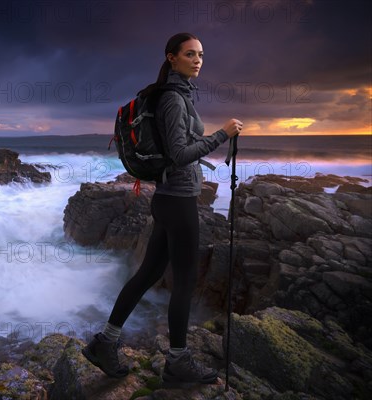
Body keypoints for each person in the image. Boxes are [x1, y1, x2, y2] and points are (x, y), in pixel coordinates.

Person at [82, 32, 242, 386]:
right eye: (190, 54)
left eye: (201, 54)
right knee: (184, 283)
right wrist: (222, 135)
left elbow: (180, 145)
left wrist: (208, 138)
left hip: (169, 198)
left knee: (147, 274)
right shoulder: (172, 98)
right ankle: (177, 363)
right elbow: (179, 154)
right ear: (172, 58)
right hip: (177, 200)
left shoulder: (178, 95)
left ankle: (103, 343)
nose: (198, 60)